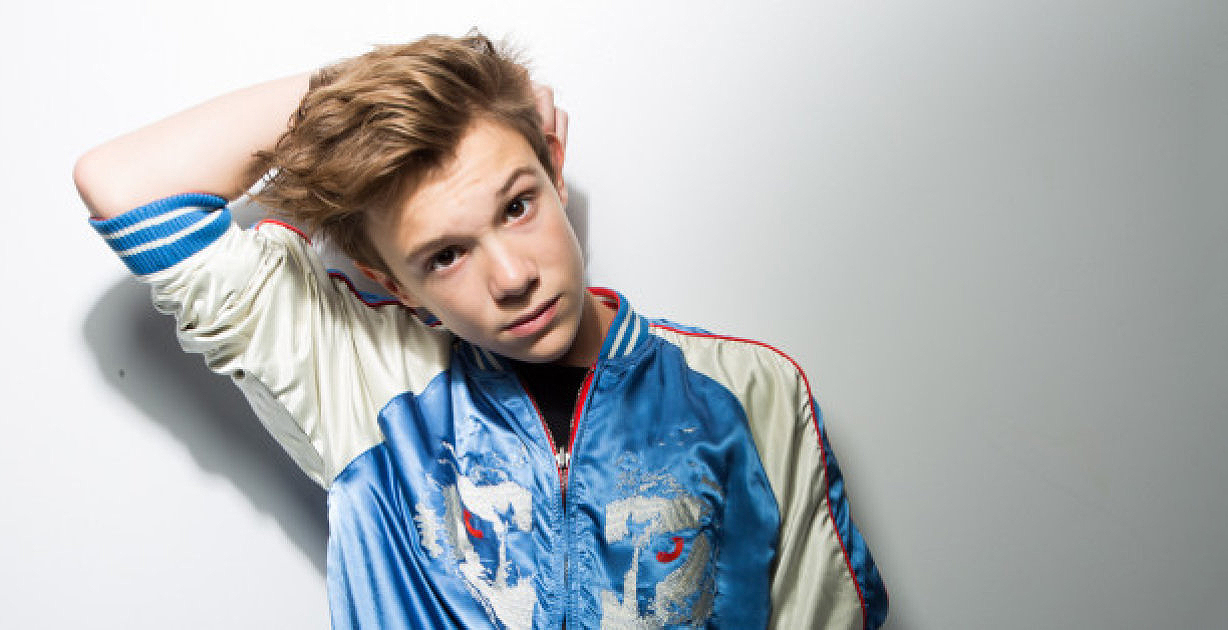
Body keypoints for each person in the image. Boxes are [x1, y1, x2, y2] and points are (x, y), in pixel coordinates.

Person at [75, 32, 888, 630]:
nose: (512, 276)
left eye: (518, 206)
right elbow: (126, 184)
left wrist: (474, 88)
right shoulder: (361, 381)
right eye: (447, 254)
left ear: (555, 164)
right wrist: (392, 83)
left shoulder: (747, 388)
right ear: (394, 282)